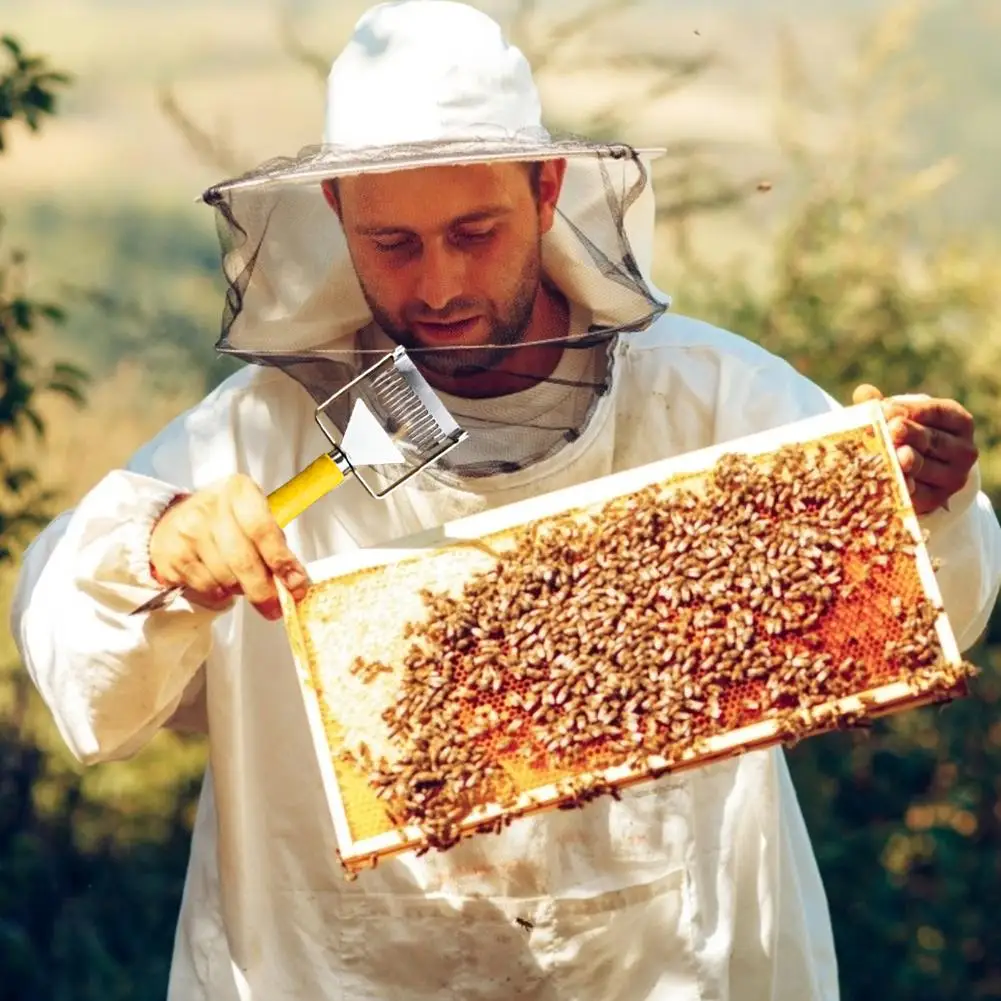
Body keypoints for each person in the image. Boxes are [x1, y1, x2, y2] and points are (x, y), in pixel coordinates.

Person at [11, 3, 1001, 999]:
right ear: (335, 210)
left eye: (472, 233)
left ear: (545, 188)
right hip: (342, 969)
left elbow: (938, 609)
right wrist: (158, 543)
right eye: (391, 242)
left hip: (671, 969)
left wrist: (925, 502)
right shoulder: (262, 434)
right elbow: (69, 642)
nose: (436, 283)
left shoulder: (712, 398)